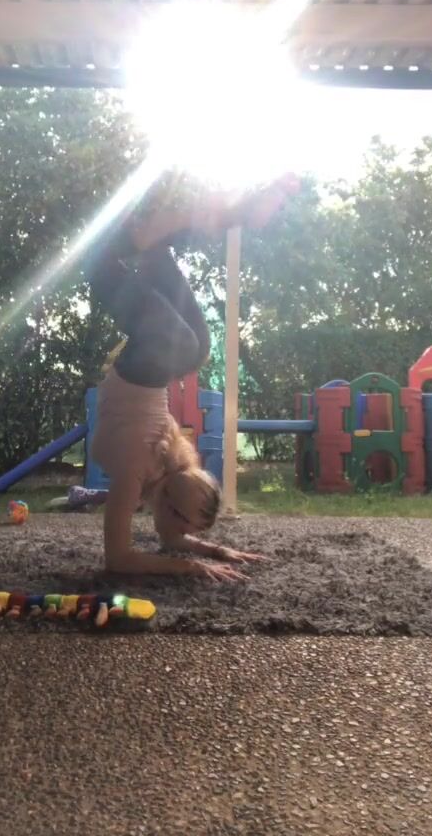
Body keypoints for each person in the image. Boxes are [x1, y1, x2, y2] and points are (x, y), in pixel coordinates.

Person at [86, 175, 299, 581]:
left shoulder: (138, 474)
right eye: (187, 528)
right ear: (168, 508)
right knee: (197, 350)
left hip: (136, 371)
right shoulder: (163, 471)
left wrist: (195, 559)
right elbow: (162, 543)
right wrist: (211, 554)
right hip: (142, 376)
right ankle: (155, 250)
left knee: (184, 346)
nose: (182, 535)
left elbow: (120, 557)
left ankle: (151, 239)